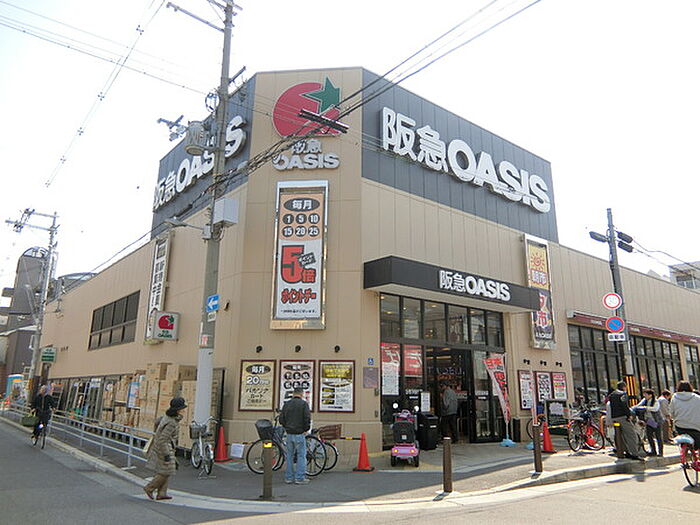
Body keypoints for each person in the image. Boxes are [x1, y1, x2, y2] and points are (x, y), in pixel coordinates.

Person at [144, 397, 187, 501]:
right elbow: (163, 439)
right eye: (182, 409)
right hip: (165, 447)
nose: (184, 411)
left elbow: (157, 423)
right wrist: (166, 454)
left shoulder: (167, 417)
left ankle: (162, 493)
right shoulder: (172, 422)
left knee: (165, 470)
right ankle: (150, 487)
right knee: (166, 471)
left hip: (163, 446)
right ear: (178, 410)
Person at [279, 386, 311, 485]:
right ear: (301, 394)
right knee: (301, 455)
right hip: (300, 433)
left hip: (289, 433)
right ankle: (299, 478)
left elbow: (281, 419)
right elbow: (307, 418)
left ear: (293, 394)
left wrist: (287, 427)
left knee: (289, 456)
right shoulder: (304, 404)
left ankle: (288, 477)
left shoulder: (287, 404)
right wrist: (305, 429)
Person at [609, 381, 644, 460]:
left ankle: (624, 451)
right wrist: (628, 415)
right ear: (624, 387)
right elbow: (624, 406)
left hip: (614, 417)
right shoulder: (622, 394)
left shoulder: (612, 395)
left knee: (620, 435)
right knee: (631, 435)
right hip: (622, 417)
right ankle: (634, 453)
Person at [670, 381, 700, 449]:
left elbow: (671, 412)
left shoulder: (674, 397)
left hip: (680, 426)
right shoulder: (697, 398)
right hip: (695, 427)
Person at [634, 389, 664, 456]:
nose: (645, 396)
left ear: (650, 395)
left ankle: (660, 452)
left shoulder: (655, 401)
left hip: (656, 421)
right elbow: (638, 406)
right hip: (648, 421)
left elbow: (655, 409)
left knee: (658, 437)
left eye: (646, 394)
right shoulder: (644, 400)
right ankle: (653, 451)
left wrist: (646, 408)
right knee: (649, 436)